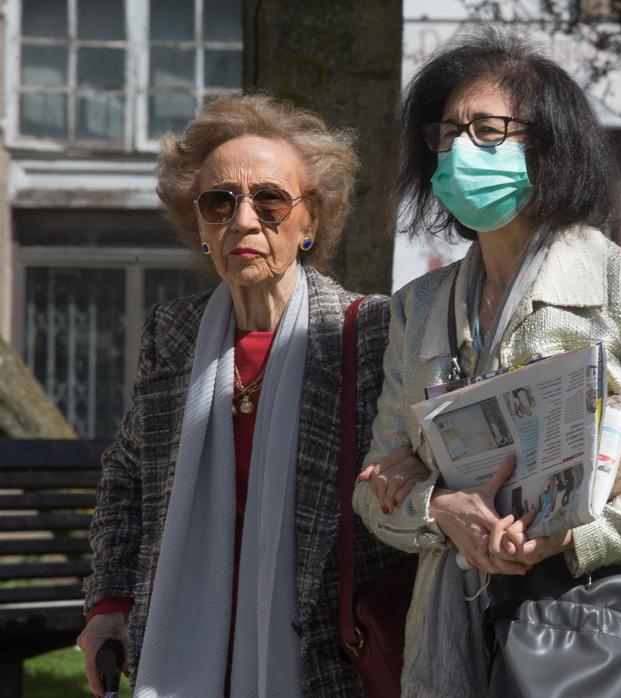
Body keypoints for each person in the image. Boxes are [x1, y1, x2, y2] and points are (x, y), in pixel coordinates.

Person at [351, 29, 621, 696]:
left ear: (547, 147)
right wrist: (438, 508)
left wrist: (574, 538)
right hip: (451, 636)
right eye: (446, 133)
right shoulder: (418, 307)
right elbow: (372, 490)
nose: (458, 151)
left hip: (587, 639)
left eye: (486, 130)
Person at [78, 95, 402, 696]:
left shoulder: (372, 333)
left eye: (271, 200)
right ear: (199, 224)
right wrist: (110, 603)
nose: (243, 221)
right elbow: (128, 478)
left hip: (325, 661)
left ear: (312, 220)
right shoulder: (171, 335)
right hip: (186, 650)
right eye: (219, 202)